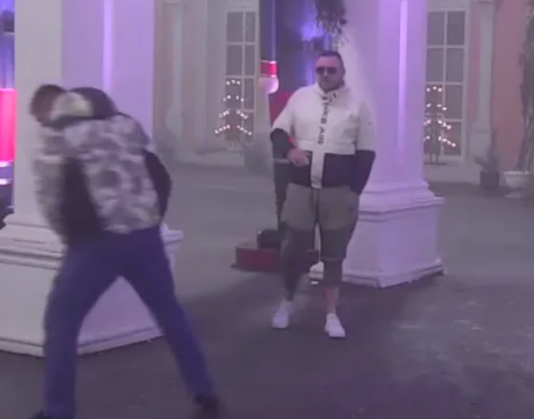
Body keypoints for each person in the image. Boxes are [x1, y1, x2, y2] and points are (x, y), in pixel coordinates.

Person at [27, 85, 221, 419]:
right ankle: (204, 390)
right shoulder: (125, 124)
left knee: (61, 321)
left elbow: (50, 200)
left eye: (38, 115)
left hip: (96, 243)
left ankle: (58, 410)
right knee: (170, 313)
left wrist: (72, 237)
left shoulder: (55, 138)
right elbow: (159, 175)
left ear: (48, 109)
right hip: (145, 235)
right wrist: (152, 216)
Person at [268, 50, 376, 338]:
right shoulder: (300, 98)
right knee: (291, 249)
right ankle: (286, 303)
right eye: (320, 70)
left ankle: (331, 314)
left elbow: (366, 153)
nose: (325, 75)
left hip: (338, 193)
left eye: (331, 70)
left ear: (342, 72)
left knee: (333, 255)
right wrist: (289, 151)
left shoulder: (357, 105)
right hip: (301, 189)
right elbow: (278, 131)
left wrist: (354, 192)